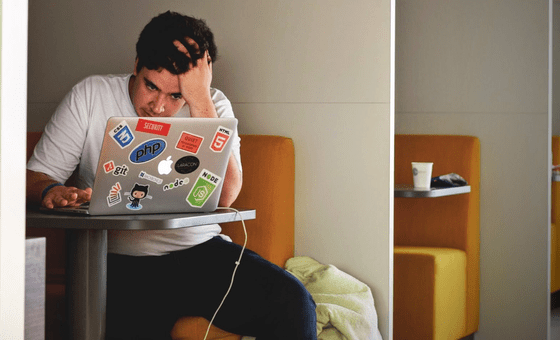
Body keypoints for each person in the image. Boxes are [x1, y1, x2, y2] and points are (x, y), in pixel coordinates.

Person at [26, 11, 317, 340]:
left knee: (294, 302)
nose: (159, 106)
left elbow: (226, 196)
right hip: (118, 262)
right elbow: (35, 177)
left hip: (200, 252)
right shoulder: (90, 95)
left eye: (175, 95)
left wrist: (199, 99)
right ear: (136, 65)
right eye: (151, 86)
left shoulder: (212, 104)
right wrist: (51, 190)